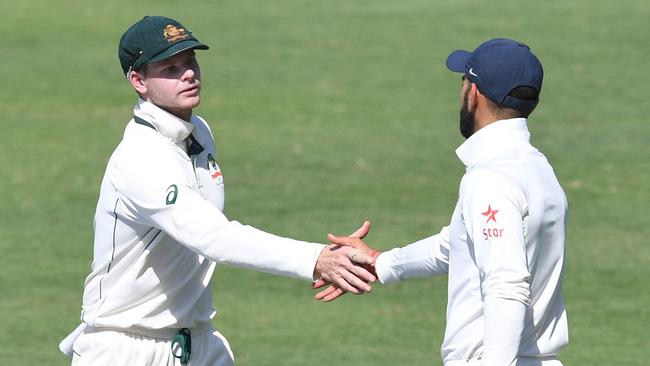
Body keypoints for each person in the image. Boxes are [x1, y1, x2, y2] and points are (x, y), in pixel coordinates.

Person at [59, 15, 376, 366]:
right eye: (170, 68)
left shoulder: (198, 131)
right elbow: (212, 236)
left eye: (190, 60)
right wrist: (314, 259)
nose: (189, 73)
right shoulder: (140, 157)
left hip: (196, 342)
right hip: (124, 348)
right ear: (139, 81)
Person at [315, 38, 569, 366]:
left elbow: (506, 285)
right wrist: (381, 263)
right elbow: (457, 245)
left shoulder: (490, 180)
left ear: (473, 93)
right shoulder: (538, 170)